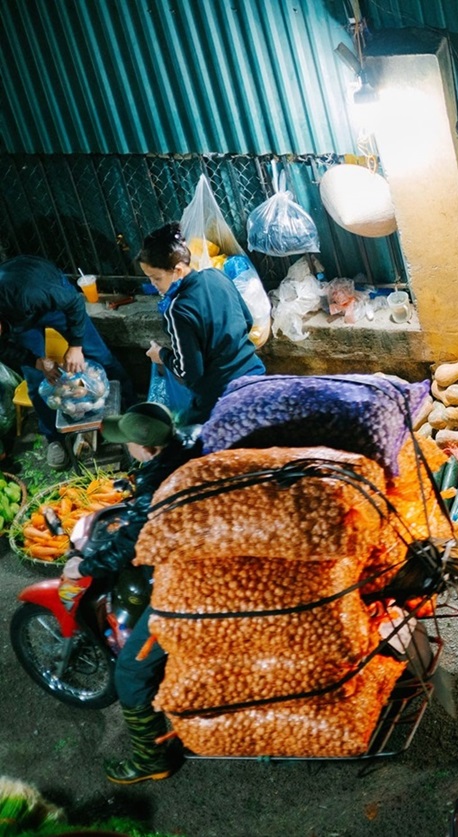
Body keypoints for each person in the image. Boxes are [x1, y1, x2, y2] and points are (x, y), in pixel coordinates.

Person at [58, 401, 200, 784]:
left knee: (131, 674)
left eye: (130, 444)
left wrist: (83, 566)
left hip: (185, 587)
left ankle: (153, 760)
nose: (126, 447)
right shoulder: (187, 445)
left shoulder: (158, 484)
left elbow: (133, 544)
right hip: (192, 559)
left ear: (147, 448)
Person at [0, 255, 133, 469]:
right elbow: (5, 349)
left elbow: (73, 303)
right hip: (18, 320)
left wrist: (76, 346)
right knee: (36, 381)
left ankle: (132, 411)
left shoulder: (29, 292)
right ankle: (54, 438)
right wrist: (34, 361)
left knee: (101, 356)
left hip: (51, 300)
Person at [136, 223, 265, 425]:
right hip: (255, 373)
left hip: (220, 396)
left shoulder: (177, 310)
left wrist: (160, 354)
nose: (153, 285)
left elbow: (189, 372)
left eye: (156, 278)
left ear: (177, 270)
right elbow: (247, 321)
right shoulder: (217, 275)